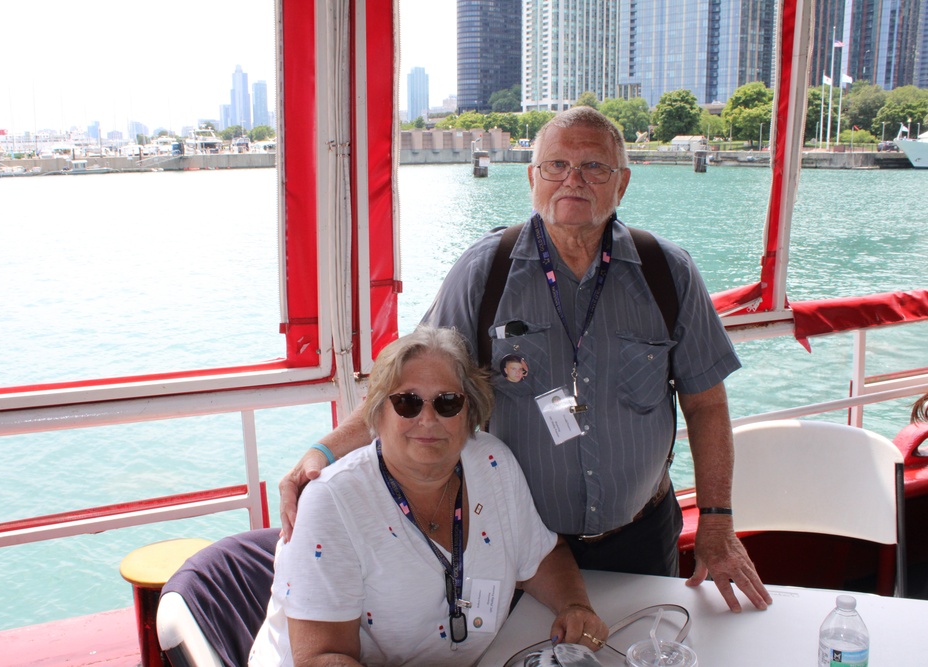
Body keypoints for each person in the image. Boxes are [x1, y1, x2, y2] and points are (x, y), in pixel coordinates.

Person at [280, 107, 771, 613]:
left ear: (621, 183)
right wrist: (324, 452)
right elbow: (407, 385)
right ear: (532, 178)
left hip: (642, 537)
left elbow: (706, 404)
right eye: (556, 166)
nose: (572, 180)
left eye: (593, 167)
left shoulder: (668, 272)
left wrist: (715, 522)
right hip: (519, 547)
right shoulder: (485, 270)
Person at [250, 326, 608, 666]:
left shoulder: (492, 462)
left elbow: (542, 557)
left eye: (447, 402)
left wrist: (574, 605)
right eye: (407, 402)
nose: (428, 418)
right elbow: (321, 658)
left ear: (470, 411)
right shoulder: (332, 502)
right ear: (377, 413)